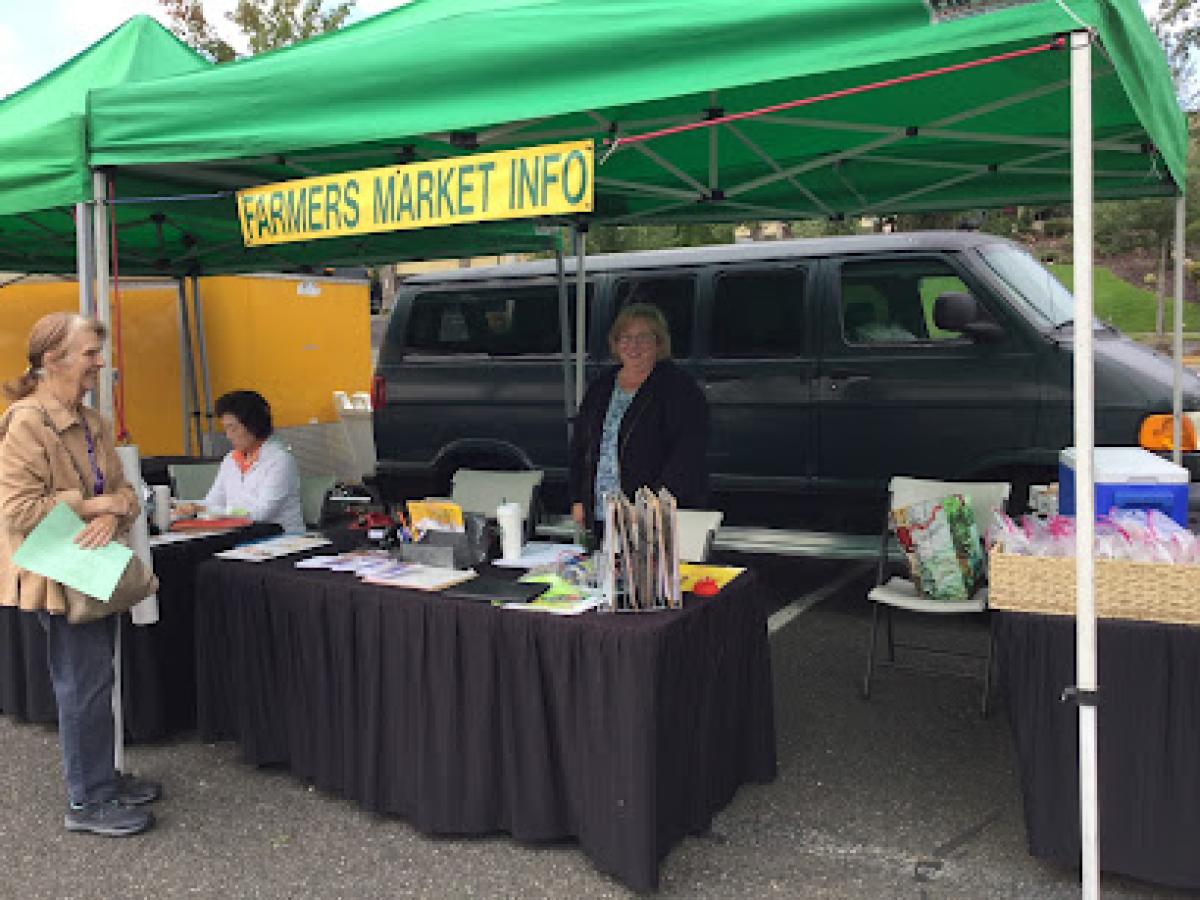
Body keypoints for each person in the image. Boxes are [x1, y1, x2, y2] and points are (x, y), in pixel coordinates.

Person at [0, 313, 159, 837]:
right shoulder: (25, 422)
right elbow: (17, 510)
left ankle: (102, 780)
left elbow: (126, 493)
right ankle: (87, 802)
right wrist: (95, 506)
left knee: (96, 680)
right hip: (60, 573)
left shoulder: (92, 422)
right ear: (52, 360)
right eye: (89, 352)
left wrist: (115, 511)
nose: (99, 362)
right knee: (83, 686)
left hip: (95, 568)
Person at [569, 303, 709, 534]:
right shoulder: (601, 386)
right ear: (615, 343)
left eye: (643, 337)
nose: (633, 345)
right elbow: (580, 446)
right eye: (625, 337)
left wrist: (650, 503)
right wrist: (578, 498)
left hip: (652, 516)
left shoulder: (679, 388)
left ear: (659, 342)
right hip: (602, 511)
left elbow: (687, 455)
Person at [176, 390, 304, 533]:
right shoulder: (231, 460)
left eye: (233, 428)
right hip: (242, 536)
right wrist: (189, 506)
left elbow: (261, 514)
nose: (229, 436)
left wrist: (212, 510)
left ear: (254, 425)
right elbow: (212, 501)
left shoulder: (280, 460)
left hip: (282, 539)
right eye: (225, 429)